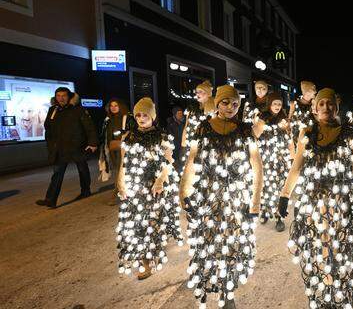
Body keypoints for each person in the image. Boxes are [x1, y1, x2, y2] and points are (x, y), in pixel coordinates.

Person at [277, 88, 353, 309]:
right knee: (320, 245)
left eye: (329, 104)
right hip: (314, 201)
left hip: (341, 201)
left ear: (336, 108)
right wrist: (284, 195)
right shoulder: (308, 134)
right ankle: (326, 290)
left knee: (341, 246)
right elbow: (296, 168)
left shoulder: (348, 134)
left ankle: (340, 291)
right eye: (321, 104)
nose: (325, 108)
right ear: (314, 108)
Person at [180, 85, 264, 309]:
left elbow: (257, 166)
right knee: (210, 243)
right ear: (217, 103)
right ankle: (215, 284)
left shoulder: (246, 130)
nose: (230, 107)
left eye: (235, 104)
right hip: (207, 196)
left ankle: (228, 291)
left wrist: (255, 201)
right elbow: (192, 160)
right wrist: (184, 190)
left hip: (236, 198)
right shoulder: (203, 128)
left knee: (233, 244)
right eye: (226, 102)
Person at [115, 97, 183, 280]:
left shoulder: (162, 137)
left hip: (155, 188)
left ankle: (150, 259)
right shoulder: (128, 137)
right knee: (136, 224)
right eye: (138, 115)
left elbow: (169, 163)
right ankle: (143, 258)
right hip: (134, 187)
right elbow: (123, 162)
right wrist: (120, 181)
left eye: (145, 114)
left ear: (152, 116)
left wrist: (160, 180)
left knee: (152, 224)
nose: (141, 118)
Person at [36, 87, 98, 209]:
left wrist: (93, 143)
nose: (61, 98)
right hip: (60, 148)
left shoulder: (78, 109)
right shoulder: (53, 110)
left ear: (69, 97)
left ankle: (85, 191)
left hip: (77, 146)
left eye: (64, 95)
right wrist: (50, 144)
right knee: (57, 173)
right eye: (58, 96)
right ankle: (50, 200)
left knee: (82, 169)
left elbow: (89, 127)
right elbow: (47, 127)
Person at [256, 92, 293, 232]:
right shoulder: (262, 118)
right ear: (269, 104)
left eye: (279, 104)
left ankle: (279, 217)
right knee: (265, 188)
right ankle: (265, 211)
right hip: (266, 160)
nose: (277, 106)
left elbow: (289, 139)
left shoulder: (284, 119)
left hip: (281, 161)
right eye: (274, 103)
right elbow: (255, 135)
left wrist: (292, 157)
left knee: (280, 189)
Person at [98, 98, 135, 205]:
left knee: (120, 173)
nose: (113, 108)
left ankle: (114, 196)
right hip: (112, 150)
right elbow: (104, 136)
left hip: (124, 150)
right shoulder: (108, 119)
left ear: (121, 106)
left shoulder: (126, 118)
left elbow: (132, 132)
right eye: (111, 106)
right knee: (119, 173)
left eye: (116, 105)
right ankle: (126, 193)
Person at [288, 80, 317, 148]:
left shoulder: (313, 104)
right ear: (307, 91)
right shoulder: (294, 104)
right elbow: (289, 119)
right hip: (296, 137)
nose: (315, 92)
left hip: (311, 136)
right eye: (313, 89)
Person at [167, 106, 185, 172]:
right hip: (175, 148)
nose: (180, 115)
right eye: (178, 113)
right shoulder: (171, 124)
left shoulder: (184, 123)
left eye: (181, 113)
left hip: (182, 146)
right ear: (175, 114)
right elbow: (171, 136)